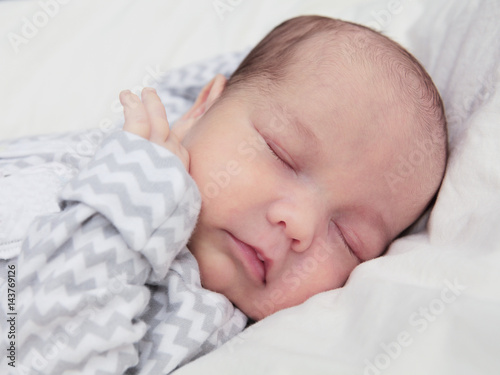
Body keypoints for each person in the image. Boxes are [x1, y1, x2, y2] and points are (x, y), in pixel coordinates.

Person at [6, 15, 447, 375]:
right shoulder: (156, 132)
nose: (300, 224)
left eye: (348, 239)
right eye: (281, 154)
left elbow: (40, 353)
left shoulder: (200, 323)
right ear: (203, 107)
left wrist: (124, 214)